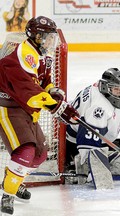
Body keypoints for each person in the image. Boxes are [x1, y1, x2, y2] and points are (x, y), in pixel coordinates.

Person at [0, 16, 79, 215]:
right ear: (34, 36)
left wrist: (52, 91)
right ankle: (8, 193)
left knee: (39, 155)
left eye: (51, 37)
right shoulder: (23, 55)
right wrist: (57, 107)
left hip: (26, 109)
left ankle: (11, 178)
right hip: (8, 107)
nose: (50, 41)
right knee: (25, 152)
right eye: (46, 37)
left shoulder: (43, 54)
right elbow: (29, 93)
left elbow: (43, 81)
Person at [66, 68, 120, 189]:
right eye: (116, 89)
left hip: (75, 129)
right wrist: (91, 168)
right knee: (100, 150)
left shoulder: (100, 88)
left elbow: (112, 110)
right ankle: (71, 158)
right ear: (105, 87)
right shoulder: (99, 108)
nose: (119, 92)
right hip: (73, 143)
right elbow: (87, 141)